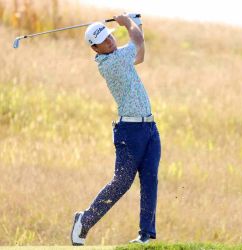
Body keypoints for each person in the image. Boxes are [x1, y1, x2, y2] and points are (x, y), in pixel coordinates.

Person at [71, 13, 161, 246]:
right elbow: (138, 43)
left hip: (149, 128)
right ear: (95, 48)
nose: (110, 41)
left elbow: (139, 56)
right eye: (104, 40)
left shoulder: (118, 56)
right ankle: (85, 220)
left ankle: (145, 236)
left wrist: (136, 24)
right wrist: (128, 22)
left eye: (110, 36)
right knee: (122, 182)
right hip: (129, 132)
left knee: (150, 180)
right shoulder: (111, 63)